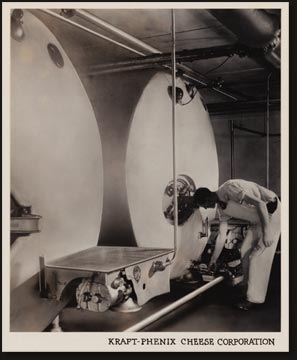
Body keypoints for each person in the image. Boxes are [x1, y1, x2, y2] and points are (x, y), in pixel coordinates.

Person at [192, 179, 281, 311]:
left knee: (256, 257)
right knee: (244, 251)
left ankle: (254, 299)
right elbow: (222, 236)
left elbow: (260, 203)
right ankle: (246, 289)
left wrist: (267, 232)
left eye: (203, 205)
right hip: (258, 221)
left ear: (207, 198)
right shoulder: (221, 211)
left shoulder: (229, 188)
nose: (205, 208)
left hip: (272, 215)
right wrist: (213, 261)